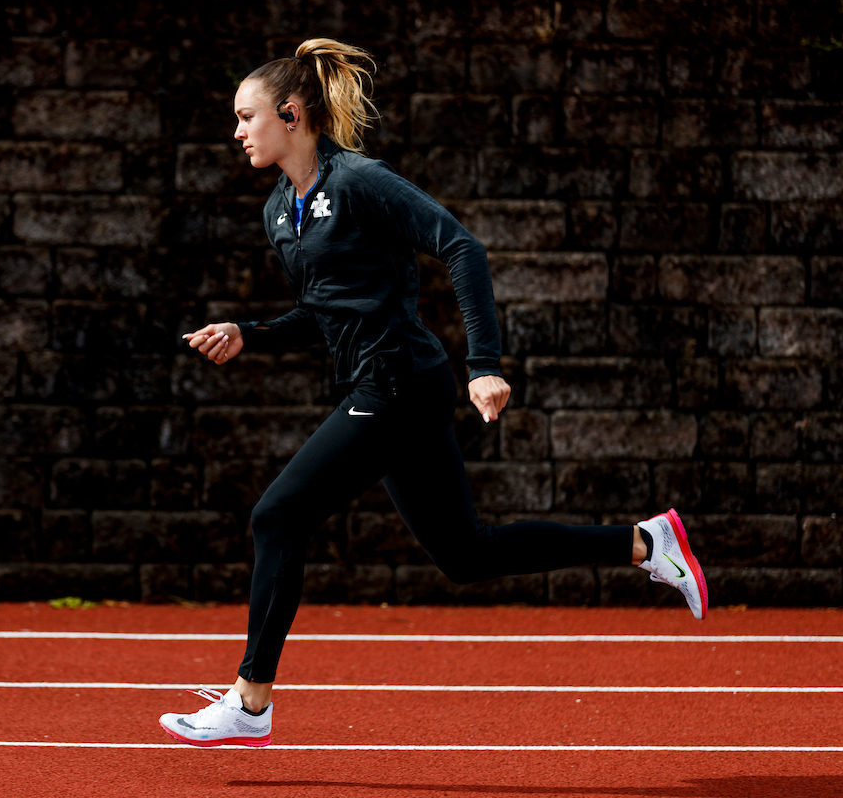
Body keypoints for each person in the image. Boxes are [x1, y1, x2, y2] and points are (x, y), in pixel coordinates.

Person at [159, 38, 709, 749]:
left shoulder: (357, 181)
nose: (236, 131)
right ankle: (645, 543)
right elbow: (330, 314)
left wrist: (484, 363)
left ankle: (251, 700)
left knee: (277, 517)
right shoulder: (281, 212)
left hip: (399, 385)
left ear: (291, 113)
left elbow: (461, 247)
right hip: (383, 385)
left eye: (246, 116)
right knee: (466, 555)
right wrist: (249, 333)